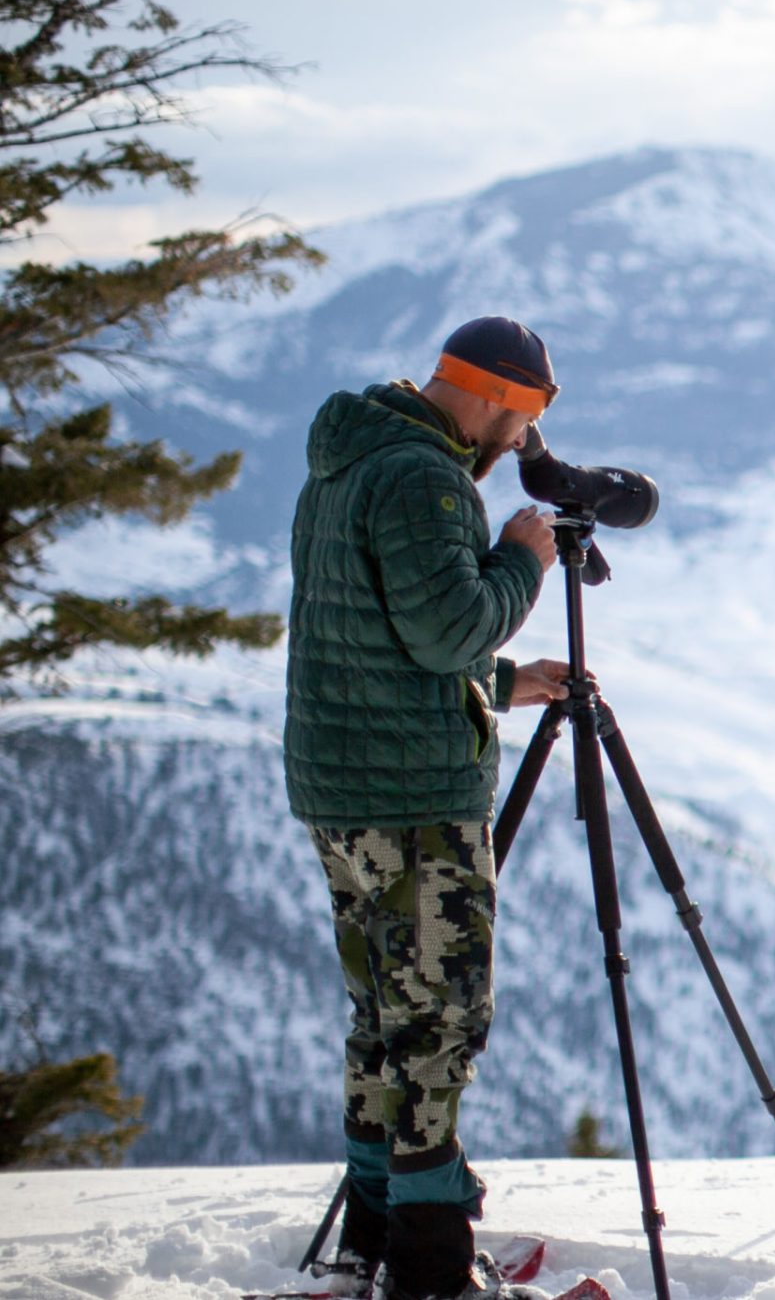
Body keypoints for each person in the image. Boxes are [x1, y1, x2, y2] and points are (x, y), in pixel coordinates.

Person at [284, 316, 570, 1300]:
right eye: (523, 425)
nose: (517, 449)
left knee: (379, 1014)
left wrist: (502, 677)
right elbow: (447, 625)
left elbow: (375, 631)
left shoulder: (349, 461)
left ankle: (374, 1230)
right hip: (412, 801)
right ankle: (433, 1265)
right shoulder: (425, 479)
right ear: (498, 400)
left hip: (342, 790)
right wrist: (524, 560)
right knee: (440, 1022)